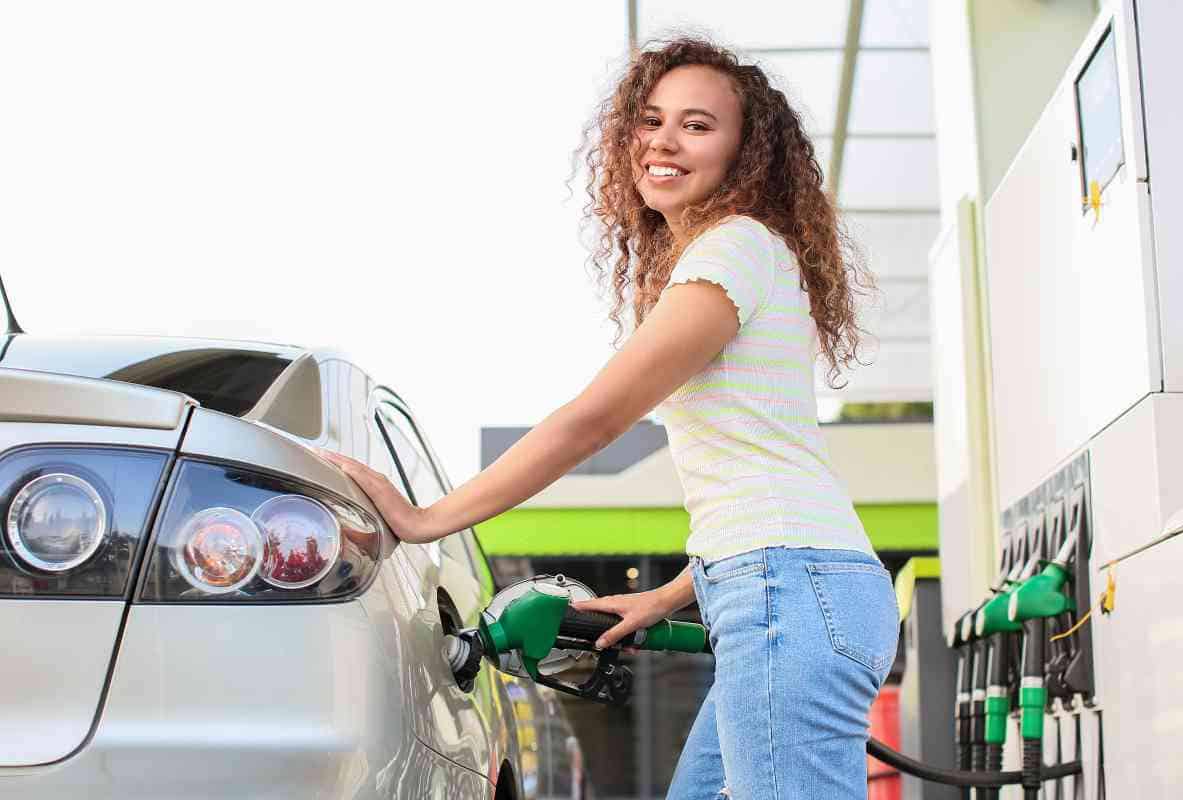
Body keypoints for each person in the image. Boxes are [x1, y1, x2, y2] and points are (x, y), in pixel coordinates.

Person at [322, 37, 899, 800]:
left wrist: (425, 518)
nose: (663, 141)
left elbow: (591, 422)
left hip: (789, 593)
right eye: (651, 120)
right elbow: (764, 469)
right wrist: (671, 594)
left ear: (745, 150)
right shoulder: (749, 253)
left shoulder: (732, 250)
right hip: (785, 585)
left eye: (697, 126)